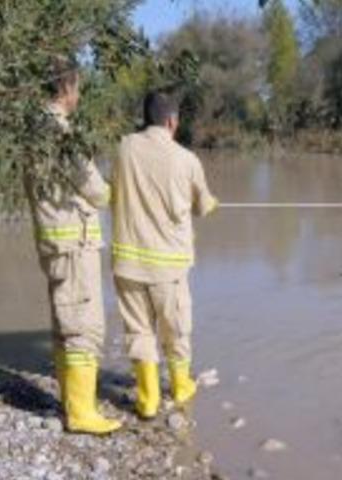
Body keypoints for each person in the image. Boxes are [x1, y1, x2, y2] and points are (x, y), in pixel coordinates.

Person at [24, 57, 121, 435]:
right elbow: (93, 188)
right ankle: (81, 414)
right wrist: (115, 192)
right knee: (84, 326)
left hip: (53, 240)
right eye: (77, 87)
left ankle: (71, 403)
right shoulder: (57, 129)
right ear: (65, 88)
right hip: (73, 242)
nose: (78, 95)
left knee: (64, 323)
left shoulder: (33, 126)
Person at [111, 91, 219, 419]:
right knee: (176, 331)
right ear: (172, 121)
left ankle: (148, 399)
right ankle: (181, 386)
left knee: (138, 332)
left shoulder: (122, 148)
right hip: (169, 268)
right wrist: (212, 202)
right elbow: (202, 206)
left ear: (145, 117)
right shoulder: (187, 160)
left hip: (127, 264)